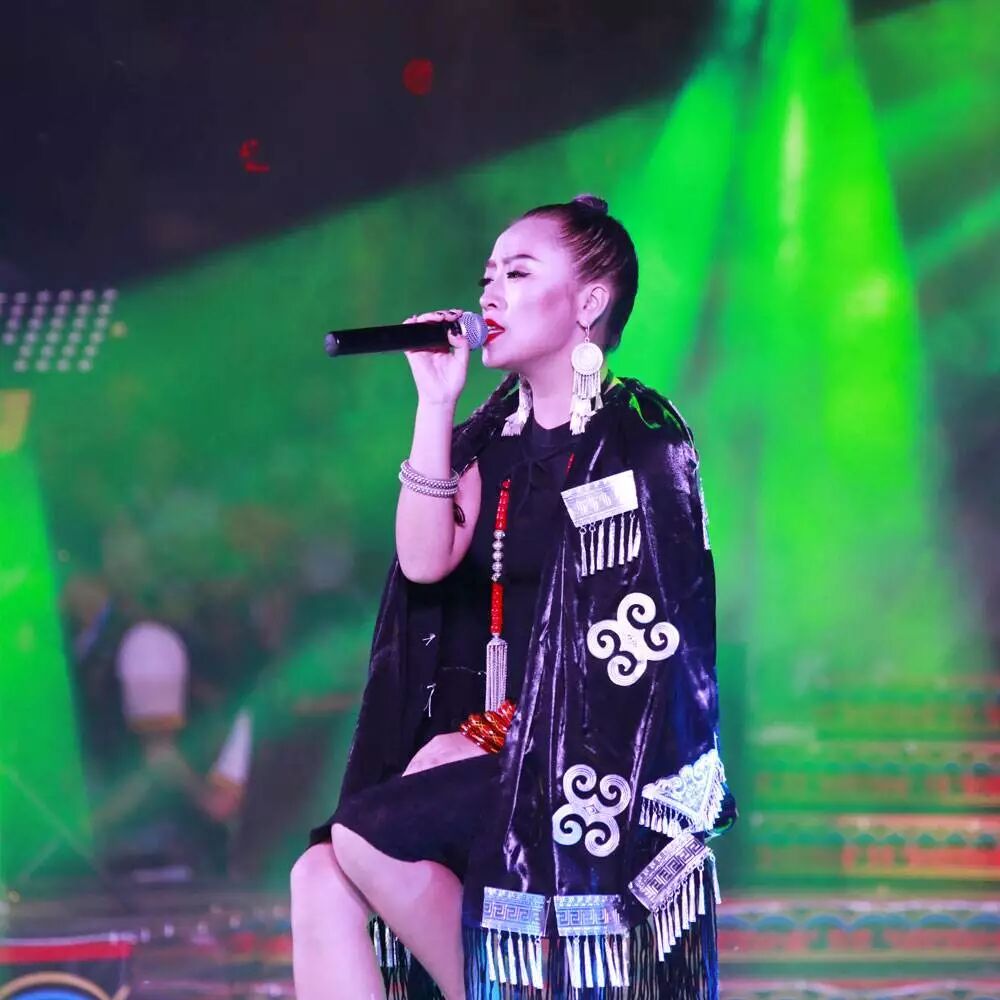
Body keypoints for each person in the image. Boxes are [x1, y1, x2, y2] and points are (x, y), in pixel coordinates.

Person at [291, 195, 736, 999]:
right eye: (487, 276)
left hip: (590, 765)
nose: (489, 293)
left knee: (366, 836)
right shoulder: (485, 441)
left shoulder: (642, 438)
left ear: (589, 302)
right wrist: (435, 403)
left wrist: (508, 734)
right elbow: (423, 561)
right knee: (318, 875)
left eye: (518, 273)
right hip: (490, 750)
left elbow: (653, 653)